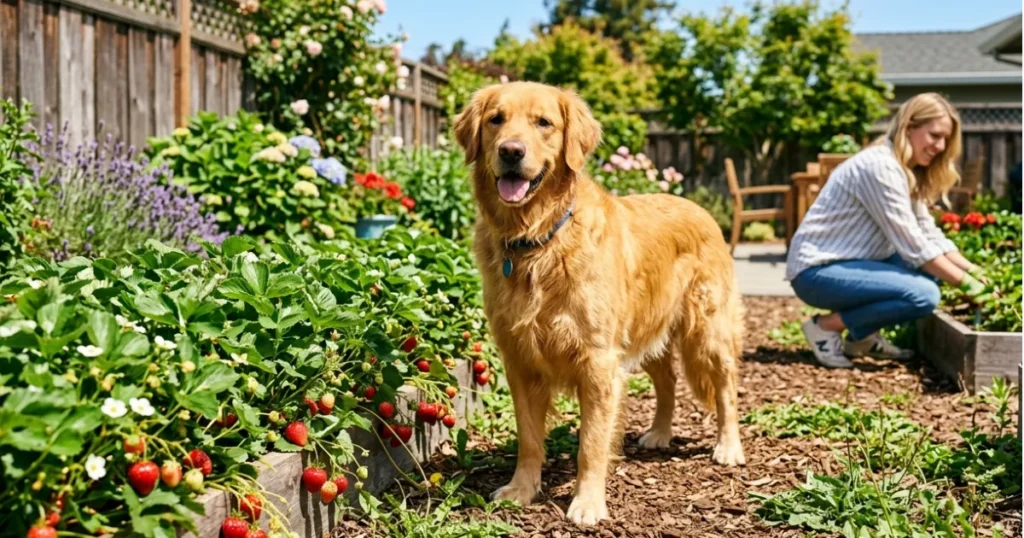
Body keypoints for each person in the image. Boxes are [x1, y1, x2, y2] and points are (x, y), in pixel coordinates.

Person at [785, 92, 989, 368]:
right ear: (909, 128)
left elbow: (928, 234)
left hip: (848, 264)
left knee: (930, 272)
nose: (940, 146)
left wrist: (973, 271)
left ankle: (862, 338)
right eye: (934, 136)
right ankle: (826, 327)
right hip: (817, 272)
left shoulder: (904, 169)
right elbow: (913, 245)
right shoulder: (879, 167)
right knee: (924, 294)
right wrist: (964, 283)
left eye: (945, 140)